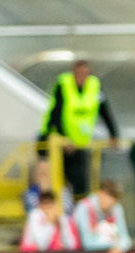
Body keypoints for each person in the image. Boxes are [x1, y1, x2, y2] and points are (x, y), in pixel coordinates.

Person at [37, 57, 116, 196]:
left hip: (78, 144)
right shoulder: (63, 85)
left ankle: (76, 208)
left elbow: (104, 111)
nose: (82, 77)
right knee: (53, 180)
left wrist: (114, 134)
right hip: (57, 141)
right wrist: (64, 138)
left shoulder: (94, 86)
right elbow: (56, 114)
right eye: (79, 73)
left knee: (79, 181)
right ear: (74, 73)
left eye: (85, 73)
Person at [74, 179, 133, 253]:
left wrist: (120, 247)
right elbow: (87, 243)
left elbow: (125, 238)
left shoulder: (116, 209)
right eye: (109, 196)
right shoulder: (83, 208)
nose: (111, 202)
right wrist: (114, 244)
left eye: (114, 198)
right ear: (100, 193)